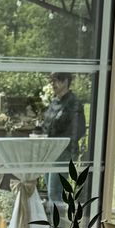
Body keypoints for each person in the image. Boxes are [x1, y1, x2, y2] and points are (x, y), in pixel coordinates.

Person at [41, 71, 86, 220]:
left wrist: (63, 145)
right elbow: (47, 126)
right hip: (49, 151)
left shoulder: (74, 103)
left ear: (66, 81)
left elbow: (77, 130)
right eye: (52, 81)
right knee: (49, 192)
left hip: (63, 152)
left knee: (55, 192)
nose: (52, 84)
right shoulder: (54, 102)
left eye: (56, 81)